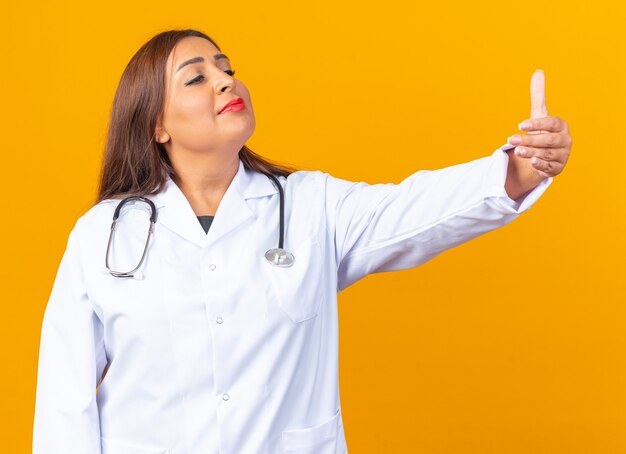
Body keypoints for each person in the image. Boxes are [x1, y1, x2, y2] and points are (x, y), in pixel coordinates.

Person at [32, 28, 572, 454]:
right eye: (196, 78)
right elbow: (64, 399)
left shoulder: (311, 205)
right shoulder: (103, 233)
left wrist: (518, 171)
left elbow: (414, 210)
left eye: (227, 69)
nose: (226, 82)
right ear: (156, 125)